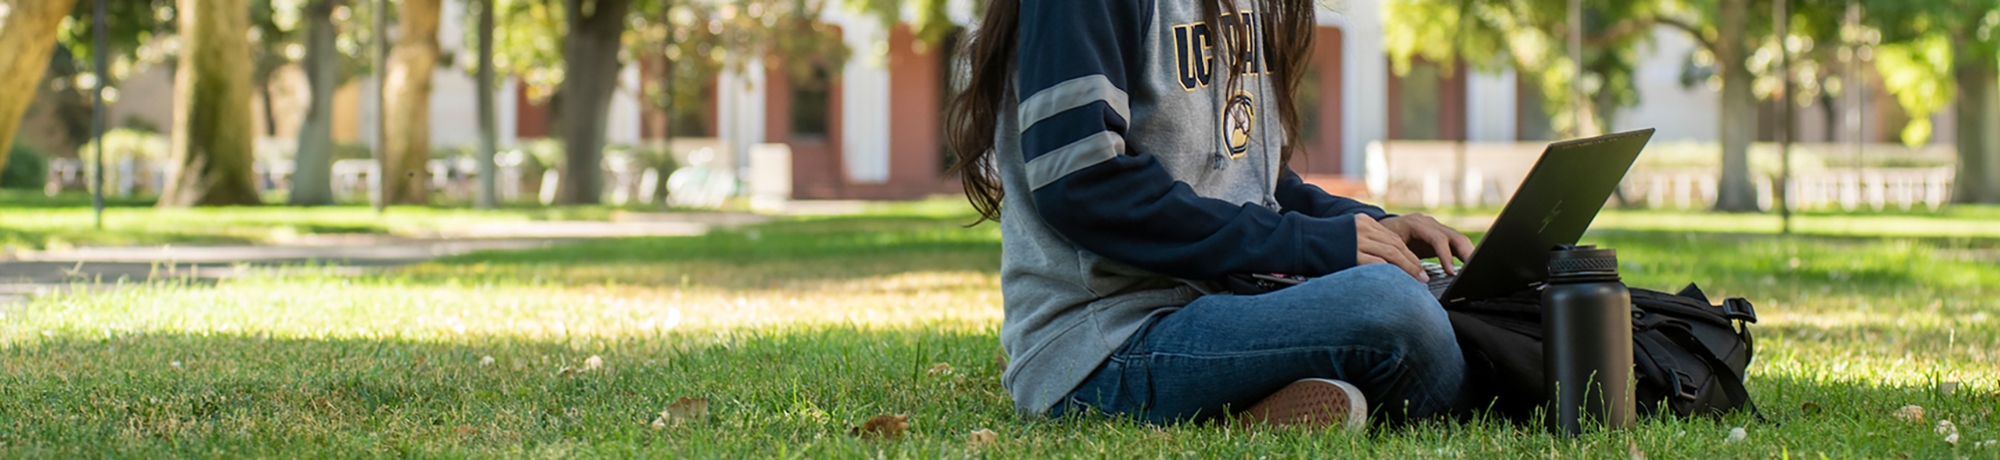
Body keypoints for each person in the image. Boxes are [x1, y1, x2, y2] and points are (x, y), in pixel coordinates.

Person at [943, 0, 1477, 429]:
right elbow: (1083, 186)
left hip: (1227, 304)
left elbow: (1255, 186)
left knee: (1476, 290)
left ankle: (1270, 405)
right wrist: (1306, 245)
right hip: (1109, 340)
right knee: (1390, 306)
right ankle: (1490, 396)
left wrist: (1371, 226)